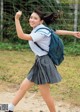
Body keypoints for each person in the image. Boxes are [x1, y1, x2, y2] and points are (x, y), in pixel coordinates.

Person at [6, 9, 80, 112]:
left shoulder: (41, 32)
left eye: (35, 18)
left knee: (45, 93)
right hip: (39, 61)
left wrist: (17, 19)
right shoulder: (40, 28)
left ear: (41, 21)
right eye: (31, 17)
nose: (32, 20)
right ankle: (10, 108)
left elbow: (21, 36)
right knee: (23, 87)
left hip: (44, 63)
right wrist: (72, 33)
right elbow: (56, 31)